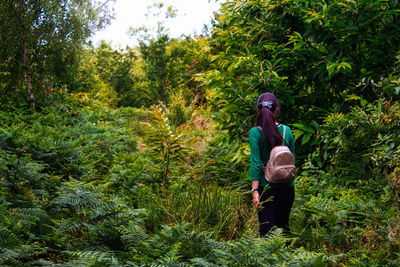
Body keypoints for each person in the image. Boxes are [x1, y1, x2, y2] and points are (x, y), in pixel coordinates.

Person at [249, 92, 295, 237]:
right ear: (276, 110)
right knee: (284, 231)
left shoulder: (255, 133)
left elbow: (256, 163)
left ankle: (270, 261)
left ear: (258, 110)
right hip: (287, 188)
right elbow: (293, 159)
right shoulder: (287, 131)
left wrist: (254, 191)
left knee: (267, 233)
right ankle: (287, 259)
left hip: (265, 188)